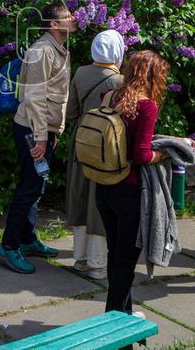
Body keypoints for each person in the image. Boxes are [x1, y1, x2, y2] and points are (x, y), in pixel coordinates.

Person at [0, 4, 76, 274]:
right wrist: (41, 138)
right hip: (32, 129)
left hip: (43, 130)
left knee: (36, 186)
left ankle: (27, 239)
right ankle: (8, 246)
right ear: (54, 25)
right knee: (29, 187)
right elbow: (35, 98)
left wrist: (55, 132)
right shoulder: (41, 52)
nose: (73, 20)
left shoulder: (59, 49)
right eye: (67, 17)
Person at [96, 50, 168, 315]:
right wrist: (162, 154)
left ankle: (123, 313)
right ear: (154, 76)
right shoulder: (146, 106)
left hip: (103, 185)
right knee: (126, 260)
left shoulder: (109, 96)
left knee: (115, 253)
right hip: (129, 191)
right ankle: (113, 319)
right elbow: (141, 155)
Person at [65, 29, 125, 281]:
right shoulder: (120, 81)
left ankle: (79, 259)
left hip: (82, 141)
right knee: (100, 202)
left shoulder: (80, 73)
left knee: (79, 197)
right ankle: (98, 264)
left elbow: (71, 113)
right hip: (107, 146)